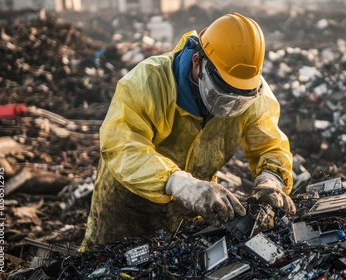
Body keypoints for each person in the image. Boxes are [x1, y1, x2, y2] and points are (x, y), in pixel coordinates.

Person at [80, 12, 295, 251]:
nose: (228, 109)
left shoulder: (247, 90)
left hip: (191, 210)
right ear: (197, 62)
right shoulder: (146, 83)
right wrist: (180, 184)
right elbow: (122, 147)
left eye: (238, 102)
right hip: (128, 208)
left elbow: (270, 144)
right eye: (221, 96)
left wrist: (271, 180)